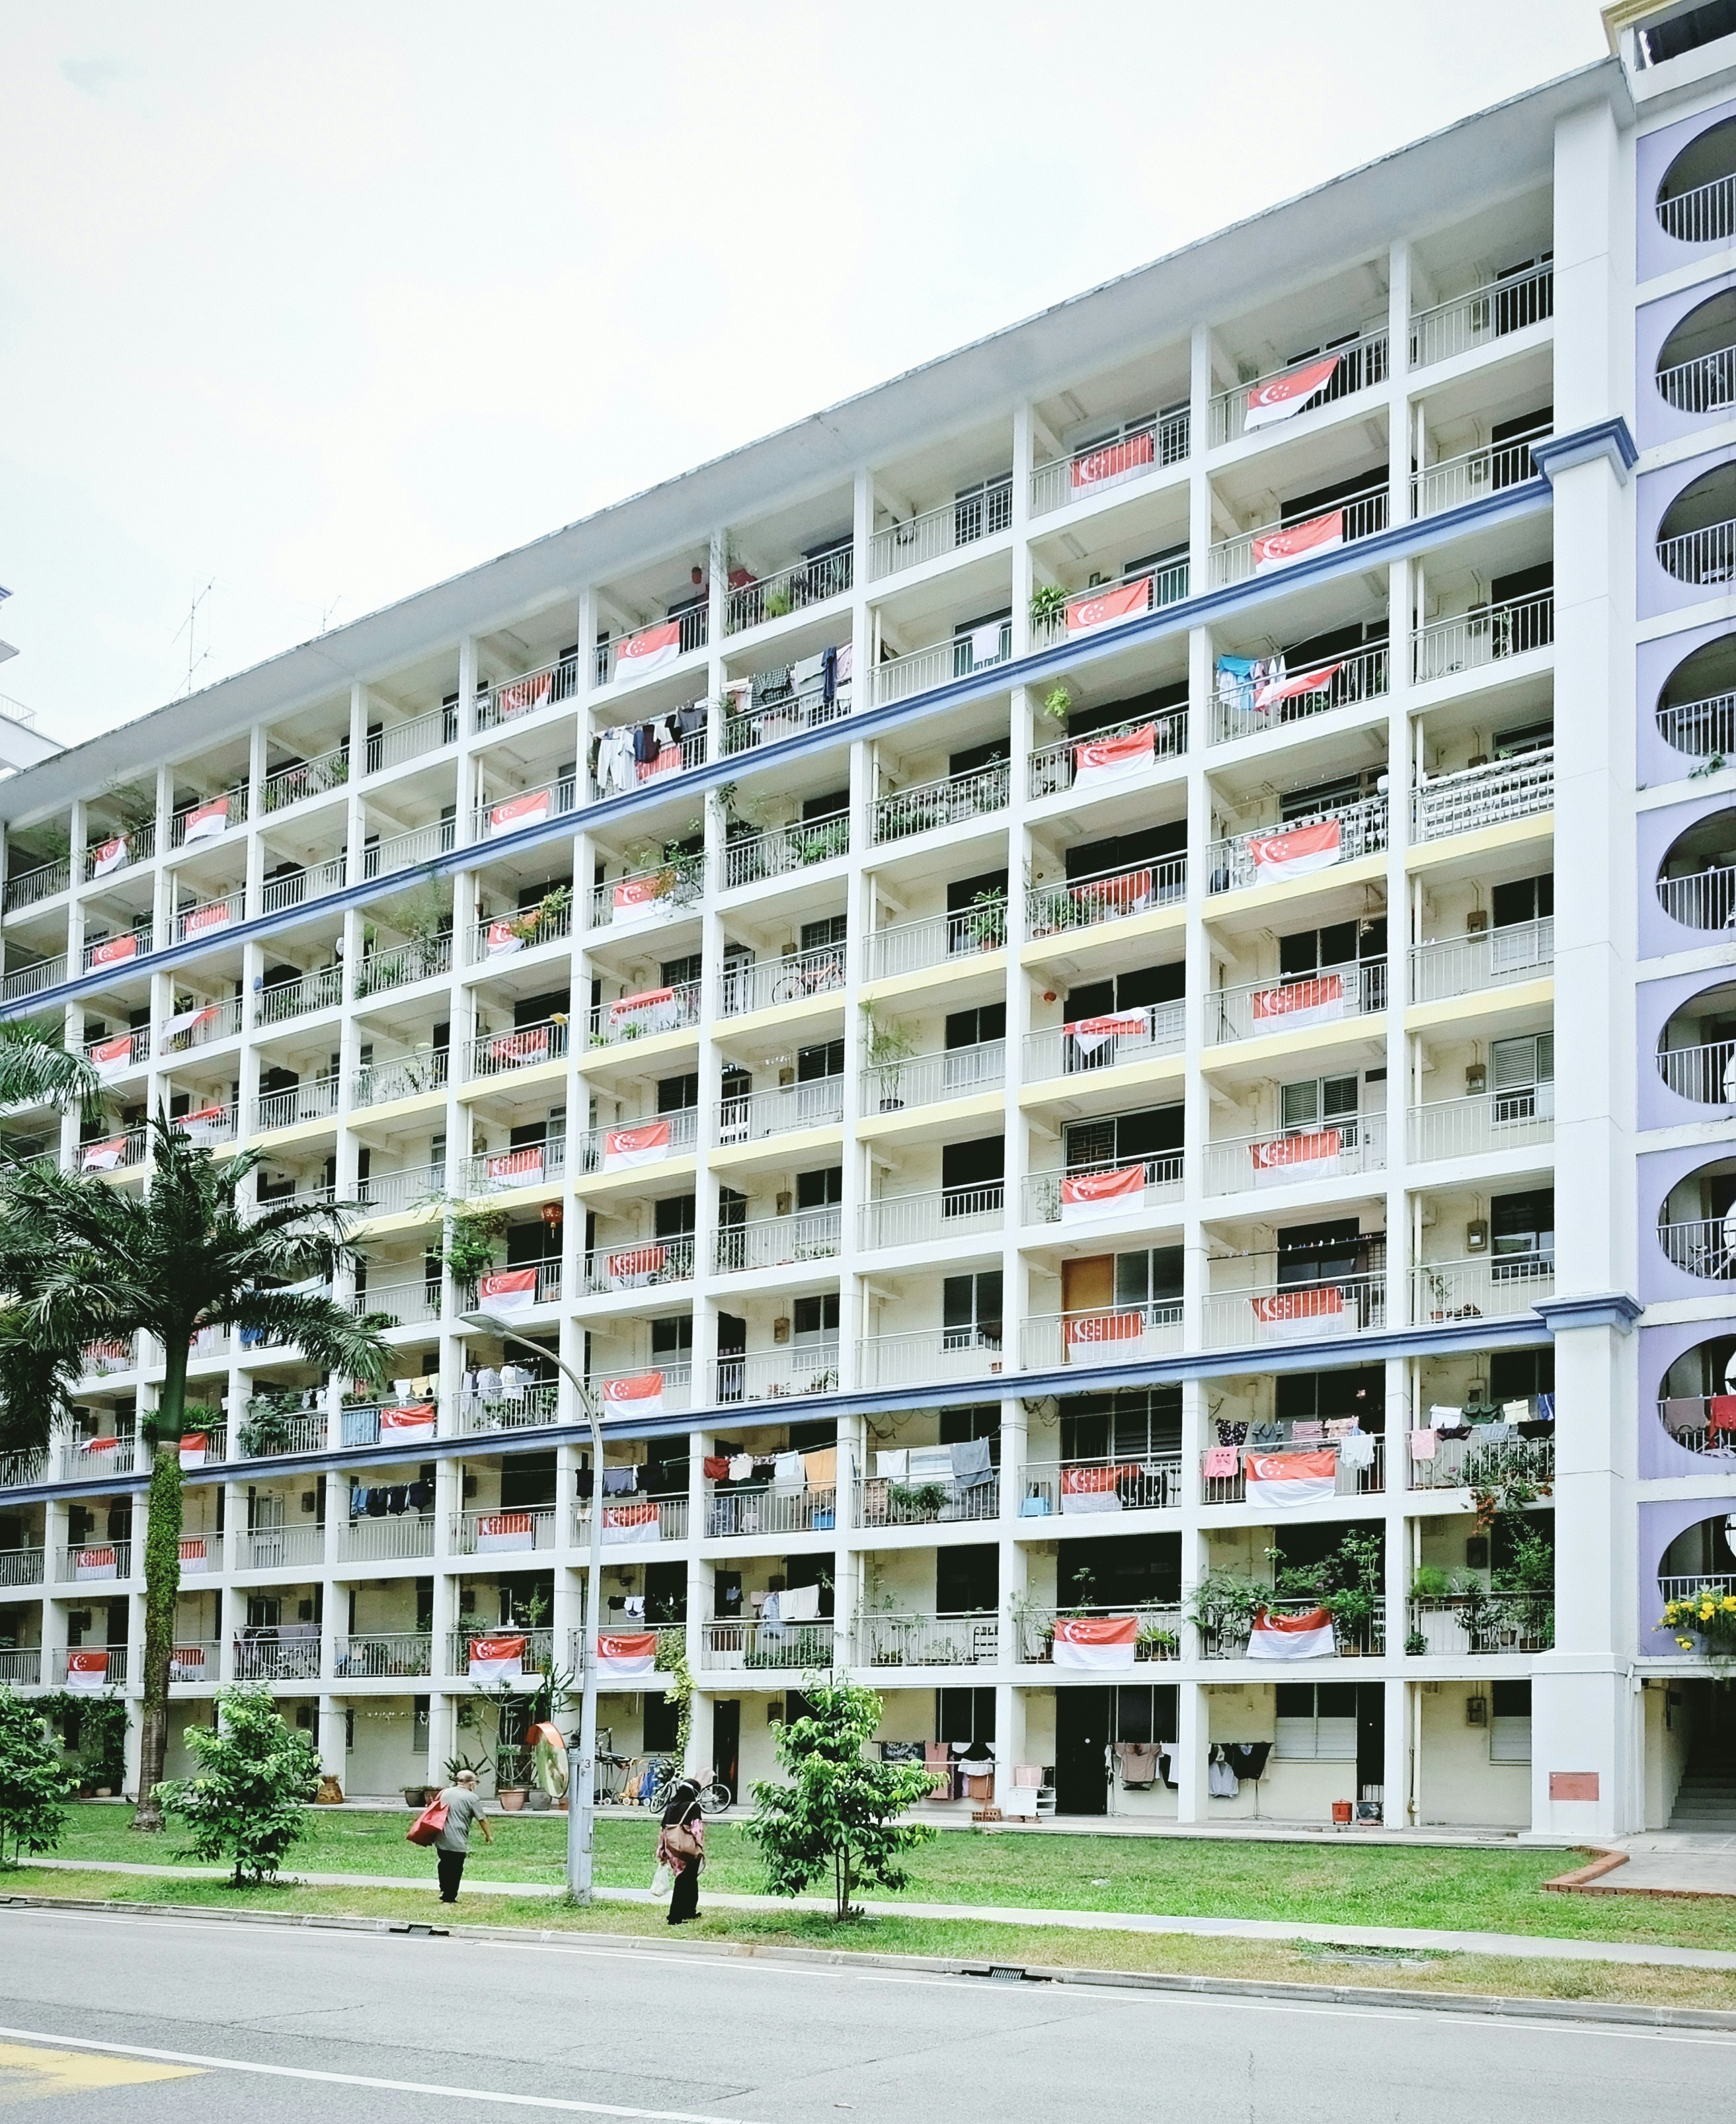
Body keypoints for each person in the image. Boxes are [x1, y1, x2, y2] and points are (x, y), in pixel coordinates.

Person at [432, 1768, 493, 1904]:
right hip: (457, 1838)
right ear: (471, 1783)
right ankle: (449, 1896)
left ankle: (444, 1888)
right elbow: (481, 1819)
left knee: (444, 1862)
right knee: (456, 1867)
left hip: (441, 1836)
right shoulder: (472, 1798)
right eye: (476, 1782)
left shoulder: (444, 1793)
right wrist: (489, 1835)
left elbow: (433, 1808)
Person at [657, 1776, 705, 1925]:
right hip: (688, 1850)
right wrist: (700, 1847)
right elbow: (697, 1830)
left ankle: (689, 1911)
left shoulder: (671, 1806)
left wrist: (662, 1851)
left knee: (687, 1880)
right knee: (684, 1882)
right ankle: (675, 1917)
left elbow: (663, 1830)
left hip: (673, 1850)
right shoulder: (693, 1806)